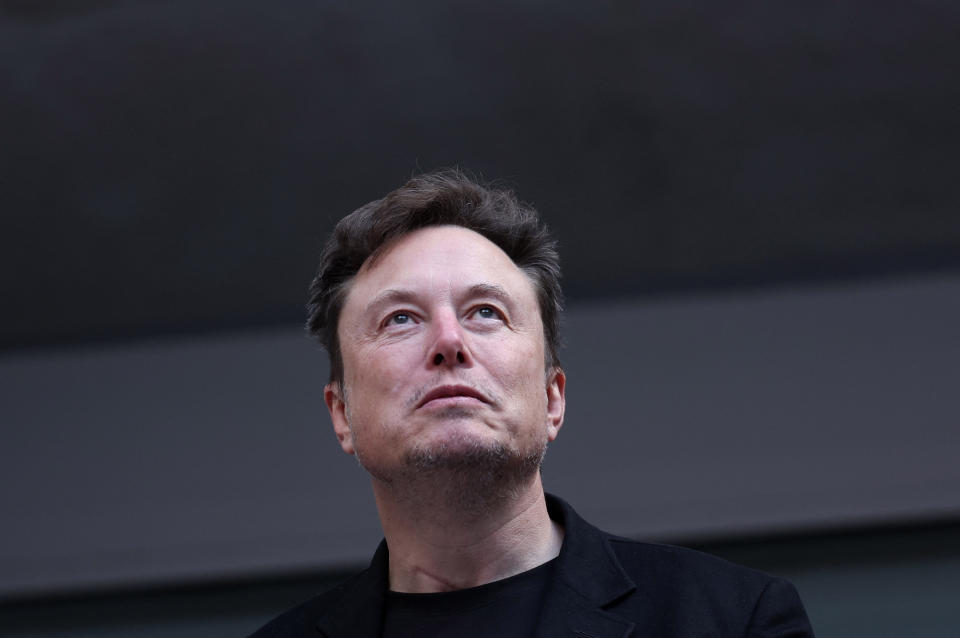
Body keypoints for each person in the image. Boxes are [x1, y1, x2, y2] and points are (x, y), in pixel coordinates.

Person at [249, 169, 815, 638]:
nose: (449, 342)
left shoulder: (735, 620)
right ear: (342, 414)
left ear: (552, 398)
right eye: (400, 318)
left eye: (485, 312)